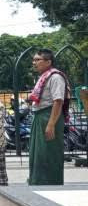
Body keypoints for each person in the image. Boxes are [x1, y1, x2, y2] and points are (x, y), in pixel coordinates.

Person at [28, 49, 70, 185]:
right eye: (33, 60)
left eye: (37, 60)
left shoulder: (55, 77)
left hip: (49, 116)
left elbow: (58, 101)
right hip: (40, 116)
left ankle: (50, 184)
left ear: (48, 62)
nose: (34, 63)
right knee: (37, 154)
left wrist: (51, 124)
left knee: (48, 153)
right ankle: (36, 181)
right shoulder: (43, 76)